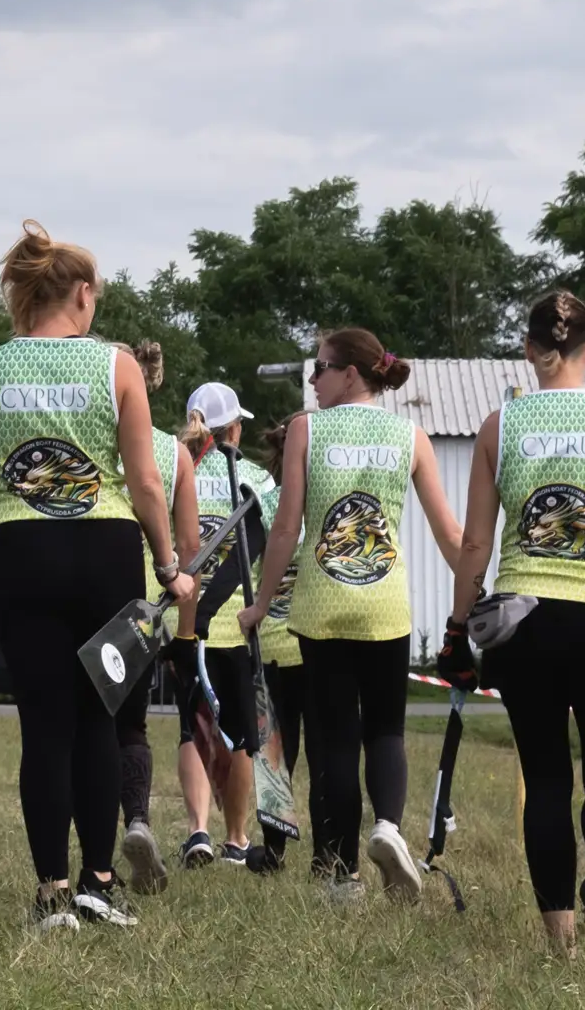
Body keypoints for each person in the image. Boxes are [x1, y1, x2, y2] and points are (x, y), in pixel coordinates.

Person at [0, 221, 195, 931]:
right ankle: (98, 882)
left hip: (23, 551)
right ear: (81, 294)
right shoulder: (117, 367)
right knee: (100, 723)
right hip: (107, 554)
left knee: (44, 728)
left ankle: (51, 890)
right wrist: (168, 563)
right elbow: (146, 481)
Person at [435, 292, 585, 952]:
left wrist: (458, 631)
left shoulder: (500, 426)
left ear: (528, 350)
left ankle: (563, 947)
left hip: (527, 621)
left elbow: (474, 547)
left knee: (545, 776)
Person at [240, 328, 462, 902]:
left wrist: (262, 605)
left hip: (322, 606)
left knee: (334, 741)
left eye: (320, 368)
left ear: (351, 374)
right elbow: (447, 530)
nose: (312, 380)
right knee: (386, 728)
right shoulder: (411, 436)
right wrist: (477, 593)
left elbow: (286, 528)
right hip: (386, 605)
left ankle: (341, 875)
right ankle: (387, 826)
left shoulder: (307, 431)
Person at [169, 382, 276, 870]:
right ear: (233, 426)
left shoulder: (173, 469)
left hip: (183, 622)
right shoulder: (255, 479)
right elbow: (279, 543)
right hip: (236, 623)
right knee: (243, 739)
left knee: (192, 729)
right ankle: (236, 838)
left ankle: (198, 831)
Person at [107, 340, 196, 897]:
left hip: (85, 599)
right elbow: (190, 549)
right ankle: (137, 819)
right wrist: (185, 635)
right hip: (145, 612)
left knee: (75, 728)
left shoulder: (91, 442)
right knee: (130, 727)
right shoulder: (175, 455)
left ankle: (84, 849)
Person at [247, 412, 313, 874]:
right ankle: (332, 851)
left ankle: (273, 851)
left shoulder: (264, 502)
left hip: (272, 642)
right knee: (330, 744)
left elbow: (242, 567)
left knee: (274, 750)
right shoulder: (330, 497)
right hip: (321, 636)